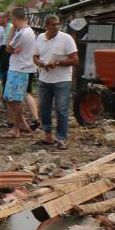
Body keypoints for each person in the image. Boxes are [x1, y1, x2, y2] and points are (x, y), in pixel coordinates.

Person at [33, 14, 79, 149]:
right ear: (46, 26)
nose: (57, 26)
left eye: (58, 24)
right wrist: (40, 63)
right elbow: (35, 56)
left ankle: (61, 138)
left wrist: (57, 62)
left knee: (62, 109)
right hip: (44, 79)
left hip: (62, 80)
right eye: (53, 24)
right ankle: (48, 135)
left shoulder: (66, 38)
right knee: (44, 108)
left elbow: (75, 60)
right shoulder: (40, 38)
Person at [3, 8, 38, 138]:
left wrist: (11, 31)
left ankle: (17, 127)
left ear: (14, 18)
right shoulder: (28, 32)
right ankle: (22, 123)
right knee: (9, 98)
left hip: (20, 68)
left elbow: (8, 48)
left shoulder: (22, 33)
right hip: (18, 67)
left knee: (14, 99)